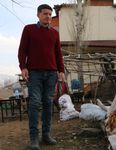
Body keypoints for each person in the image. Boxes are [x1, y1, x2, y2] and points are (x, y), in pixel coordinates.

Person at [18, 4, 65, 150]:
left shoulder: (54, 33)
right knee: (34, 103)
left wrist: (61, 71)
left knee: (48, 104)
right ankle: (34, 138)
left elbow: (58, 53)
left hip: (51, 74)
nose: (48, 16)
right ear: (38, 15)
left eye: (50, 14)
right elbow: (22, 50)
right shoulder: (29, 29)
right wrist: (23, 67)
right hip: (35, 73)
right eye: (45, 14)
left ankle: (46, 135)